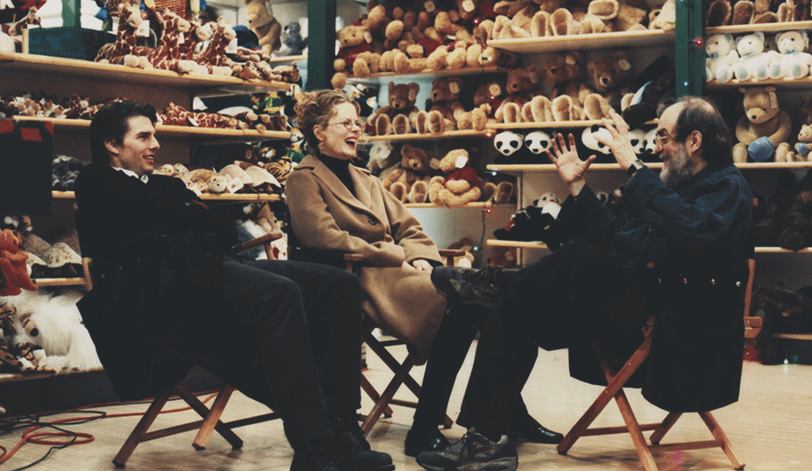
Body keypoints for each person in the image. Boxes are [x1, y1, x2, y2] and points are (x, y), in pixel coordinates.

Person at [419, 96, 755, 471]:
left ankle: (495, 282)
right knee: (514, 307)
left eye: (663, 136)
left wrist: (634, 167)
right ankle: (487, 437)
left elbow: (694, 230)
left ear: (694, 141)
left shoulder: (728, 187)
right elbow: (619, 234)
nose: (656, 147)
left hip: (686, 328)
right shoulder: (676, 187)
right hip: (643, 310)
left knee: (574, 258)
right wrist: (578, 186)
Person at [74, 100, 394, 471]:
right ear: (112, 145)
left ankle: (342, 426)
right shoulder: (95, 181)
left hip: (208, 269)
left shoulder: (163, 185)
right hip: (161, 294)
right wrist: (187, 214)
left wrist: (181, 217)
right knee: (279, 294)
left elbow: (222, 227)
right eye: (144, 137)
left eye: (155, 135)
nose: (156, 144)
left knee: (339, 284)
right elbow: (170, 220)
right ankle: (314, 444)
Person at [285, 90, 562, 458]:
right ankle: (446, 421)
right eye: (345, 123)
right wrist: (395, 255)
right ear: (319, 131)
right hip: (355, 283)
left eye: (357, 122)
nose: (356, 129)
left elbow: (410, 228)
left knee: (495, 308)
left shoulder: (366, 178)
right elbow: (321, 237)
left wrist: (422, 258)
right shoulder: (303, 179)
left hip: (400, 277)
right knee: (473, 305)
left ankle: (488, 414)